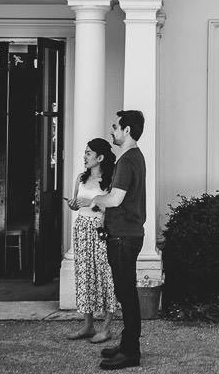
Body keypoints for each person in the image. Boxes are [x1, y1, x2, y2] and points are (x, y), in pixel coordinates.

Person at [79, 110, 147, 371]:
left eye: (115, 127)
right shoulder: (134, 158)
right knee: (125, 293)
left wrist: (94, 200)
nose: (111, 131)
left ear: (127, 130)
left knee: (127, 295)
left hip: (123, 236)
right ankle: (127, 345)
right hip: (127, 234)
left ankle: (131, 353)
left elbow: (116, 200)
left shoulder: (127, 160)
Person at [65, 138, 118, 344]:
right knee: (84, 275)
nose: (84, 156)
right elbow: (76, 204)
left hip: (100, 231)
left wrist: (94, 202)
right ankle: (88, 325)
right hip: (81, 229)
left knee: (106, 276)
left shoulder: (110, 180)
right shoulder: (80, 177)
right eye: (85, 152)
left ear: (100, 157)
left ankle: (106, 328)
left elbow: (113, 208)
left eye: (88, 153)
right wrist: (74, 204)